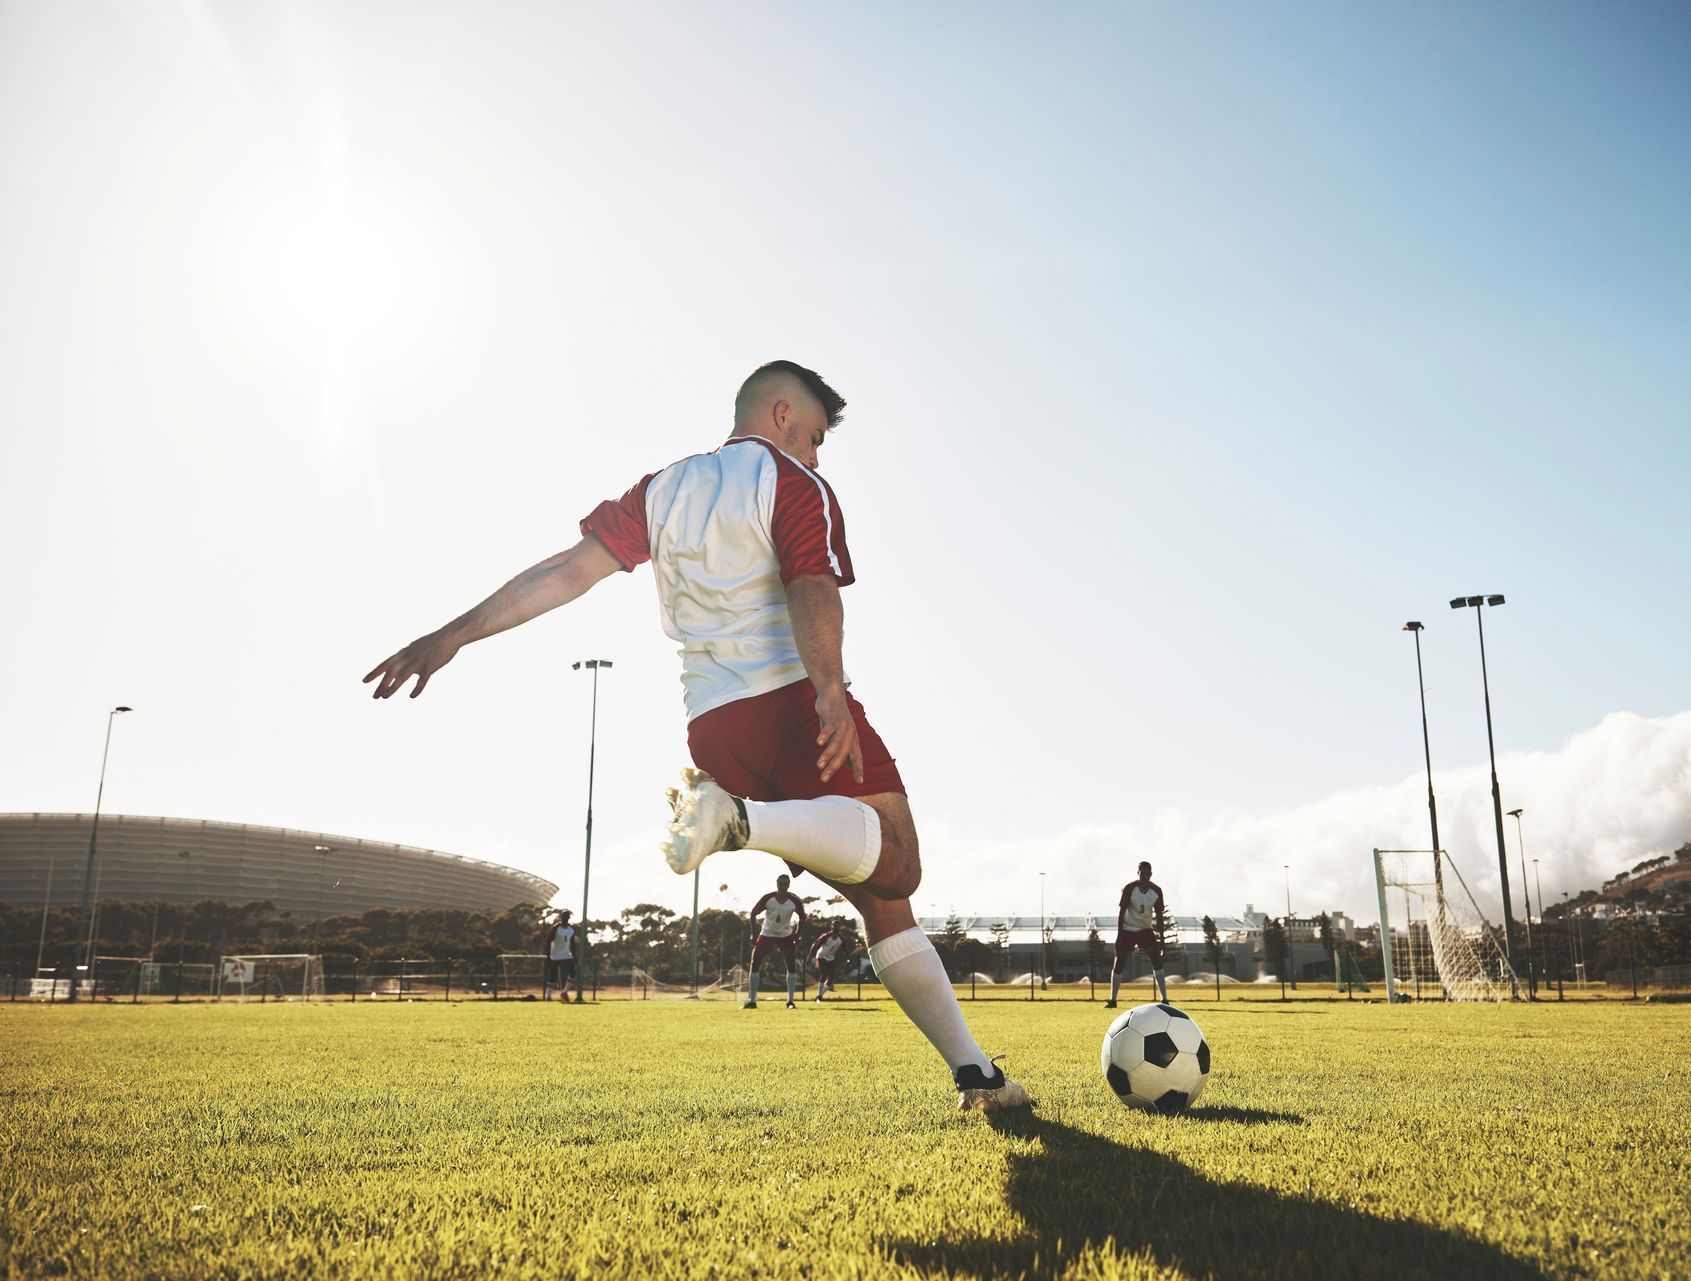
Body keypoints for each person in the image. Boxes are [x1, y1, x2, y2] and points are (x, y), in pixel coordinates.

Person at [365, 360, 1029, 1111]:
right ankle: (737, 820)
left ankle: (978, 1076)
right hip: (788, 705)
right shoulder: (789, 481)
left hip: (712, 728)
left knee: (881, 900)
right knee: (899, 860)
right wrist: (830, 693)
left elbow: (564, 572)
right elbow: (810, 582)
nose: (814, 455)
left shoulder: (661, 488)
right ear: (781, 414)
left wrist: (453, 634)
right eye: (813, 436)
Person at [1107, 861, 1170, 1006]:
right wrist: (1119, 936)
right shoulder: (1130, 888)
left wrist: (1162, 940)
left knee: (1156, 959)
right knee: (1120, 962)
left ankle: (1164, 999)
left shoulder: (1156, 891)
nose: (1145, 877)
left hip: (1145, 930)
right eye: (1142, 873)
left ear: (1151, 874)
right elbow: (1122, 912)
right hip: (1128, 929)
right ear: (1138, 873)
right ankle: (1113, 1000)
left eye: (1148, 874)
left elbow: (1159, 916)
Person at [745, 873, 806, 1008]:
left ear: (789, 885)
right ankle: (752, 1001)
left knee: (791, 966)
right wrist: (753, 934)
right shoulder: (768, 898)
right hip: (767, 934)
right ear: (777, 884)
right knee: (755, 964)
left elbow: (802, 918)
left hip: (785, 935)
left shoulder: (794, 900)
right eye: (780, 884)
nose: (782, 886)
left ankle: (790, 1001)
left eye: (785, 884)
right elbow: (753, 913)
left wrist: (796, 935)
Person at [808, 921, 856, 1001]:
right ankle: (819, 996)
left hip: (830, 958)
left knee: (831, 979)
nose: (836, 928)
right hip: (821, 956)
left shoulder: (841, 939)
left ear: (840, 928)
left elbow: (845, 950)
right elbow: (815, 944)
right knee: (824, 973)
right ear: (831, 927)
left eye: (837, 926)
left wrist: (848, 959)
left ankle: (820, 996)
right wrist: (809, 957)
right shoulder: (826, 936)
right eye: (834, 926)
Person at [544, 909, 579, 1002]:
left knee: (573, 973)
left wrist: (574, 955)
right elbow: (548, 942)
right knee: (553, 974)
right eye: (564, 916)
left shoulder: (571, 929)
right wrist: (548, 956)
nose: (565, 918)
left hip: (566, 954)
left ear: (569, 918)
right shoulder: (556, 928)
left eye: (567, 916)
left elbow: (572, 943)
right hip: (555, 954)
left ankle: (564, 992)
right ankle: (548, 996)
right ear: (561, 917)